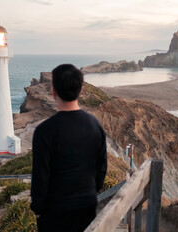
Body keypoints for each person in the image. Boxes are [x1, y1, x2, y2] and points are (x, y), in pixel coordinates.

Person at [30, 64, 107, 232]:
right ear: (80, 91)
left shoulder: (44, 131)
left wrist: (37, 208)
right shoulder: (95, 125)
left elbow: (40, 176)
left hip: (54, 211)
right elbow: (101, 168)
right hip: (86, 206)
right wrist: (91, 192)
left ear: (53, 91)